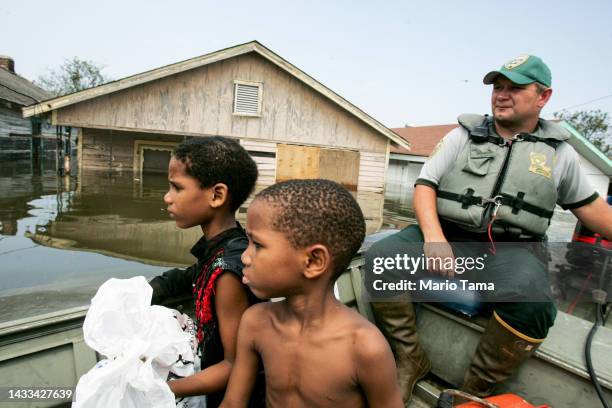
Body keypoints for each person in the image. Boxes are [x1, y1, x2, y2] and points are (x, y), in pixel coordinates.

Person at [366, 54, 612, 400]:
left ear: (543, 97)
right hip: (448, 233)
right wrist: (434, 238)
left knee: (534, 306)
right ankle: (409, 357)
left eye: (515, 88)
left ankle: (472, 391)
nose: (501, 94)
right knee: (381, 258)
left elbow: (594, 213)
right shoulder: (462, 136)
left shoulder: (561, 154)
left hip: (512, 250)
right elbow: (425, 185)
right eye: (498, 87)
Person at [220, 179, 403, 408]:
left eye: (257, 245)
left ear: (314, 261)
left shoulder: (365, 347)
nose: (245, 257)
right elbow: (232, 404)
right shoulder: (255, 322)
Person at [148, 136, 265, 407]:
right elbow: (190, 276)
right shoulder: (223, 247)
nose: (167, 198)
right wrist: (144, 291)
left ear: (217, 195)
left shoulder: (227, 273)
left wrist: (163, 388)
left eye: (177, 188)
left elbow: (234, 364)